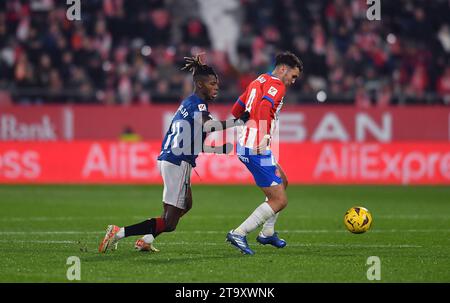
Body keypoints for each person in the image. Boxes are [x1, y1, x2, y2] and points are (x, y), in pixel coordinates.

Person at [99, 54, 249, 253]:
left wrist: (218, 149)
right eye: (212, 83)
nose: (216, 87)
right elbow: (208, 126)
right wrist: (237, 122)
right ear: (200, 84)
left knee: (186, 204)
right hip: (178, 162)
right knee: (170, 222)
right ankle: (119, 232)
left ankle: (146, 240)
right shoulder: (198, 105)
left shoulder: (189, 103)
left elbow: (193, 139)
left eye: (217, 83)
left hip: (170, 159)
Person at [226, 51, 303, 255]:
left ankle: (267, 233)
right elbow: (265, 105)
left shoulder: (258, 80)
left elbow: (236, 109)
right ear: (283, 69)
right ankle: (239, 233)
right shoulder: (277, 85)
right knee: (280, 200)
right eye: (293, 76)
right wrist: (263, 135)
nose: (293, 81)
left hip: (247, 143)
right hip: (256, 145)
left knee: (282, 181)